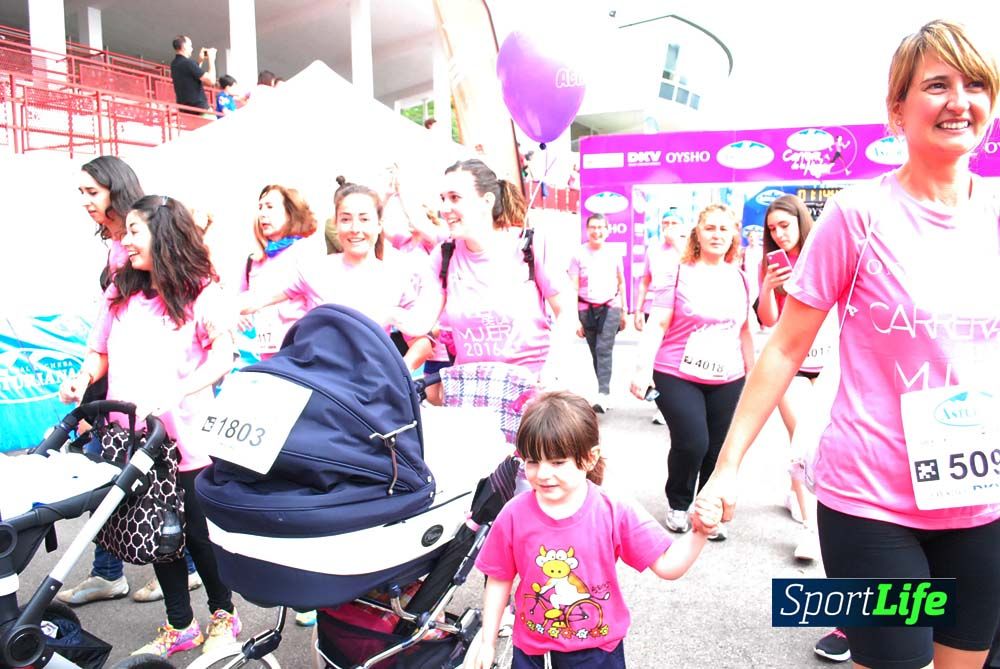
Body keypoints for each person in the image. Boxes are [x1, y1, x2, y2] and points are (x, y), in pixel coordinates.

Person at [697, 20, 1000, 669]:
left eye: (975, 83)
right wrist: (727, 466)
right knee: (892, 659)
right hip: (872, 502)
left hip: (981, 502)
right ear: (897, 109)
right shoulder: (858, 215)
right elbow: (782, 348)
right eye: (937, 84)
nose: (959, 99)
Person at [59, 196, 240, 658]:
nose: (126, 240)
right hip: (133, 440)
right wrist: (81, 379)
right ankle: (180, 624)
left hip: (188, 440)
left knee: (197, 535)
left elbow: (223, 355)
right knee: (157, 533)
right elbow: (97, 351)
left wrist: (180, 391)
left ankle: (224, 615)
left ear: (164, 235)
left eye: (136, 231)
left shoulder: (203, 292)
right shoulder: (121, 293)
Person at [471, 391, 720, 669]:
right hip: (532, 652)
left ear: (590, 458)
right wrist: (487, 641)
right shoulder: (514, 514)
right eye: (532, 461)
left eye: (557, 462)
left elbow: (668, 566)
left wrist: (699, 532)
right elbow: (499, 578)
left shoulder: (613, 511)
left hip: (597, 652)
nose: (542, 473)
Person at [629, 204, 753, 541]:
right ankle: (679, 501)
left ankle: (708, 509)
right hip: (677, 372)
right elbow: (658, 323)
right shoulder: (677, 272)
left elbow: (745, 331)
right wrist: (642, 370)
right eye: (710, 228)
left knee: (717, 448)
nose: (717, 235)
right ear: (697, 232)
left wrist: (755, 377)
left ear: (732, 236)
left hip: (728, 377)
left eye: (723, 229)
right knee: (692, 442)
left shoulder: (741, 277)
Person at [423, 158, 576, 386]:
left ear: (486, 201)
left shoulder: (529, 245)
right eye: (442, 199)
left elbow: (567, 311)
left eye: (455, 198)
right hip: (473, 394)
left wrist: (552, 368)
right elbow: (419, 320)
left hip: (531, 392)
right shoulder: (444, 254)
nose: (445, 209)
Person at [241, 178, 435, 339]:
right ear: (336, 224)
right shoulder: (314, 270)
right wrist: (223, 309)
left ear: (379, 225)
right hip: (321, 378)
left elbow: (420, 337)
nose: (355, 228)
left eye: (364, 219)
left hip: (371, 381)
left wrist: (401, 372)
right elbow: (257, 298)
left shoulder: (396, 277)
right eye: (346, 219)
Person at [754, 194, 827, 563]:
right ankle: (812, 531)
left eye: (785, 225)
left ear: (801, 221)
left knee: (823, 437)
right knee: (802, 437)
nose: (779, 234)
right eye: (772, 229)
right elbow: (767, 321)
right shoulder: (770, 265)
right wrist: (767, 287)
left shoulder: (824, 253)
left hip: (829, 363)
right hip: (790, 364)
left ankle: (795, 491)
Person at [238, 184, 319, 359]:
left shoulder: (306, 251)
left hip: (299, 354)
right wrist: (237, 316)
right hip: (261, 357)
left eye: (270, 206)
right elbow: (239, 299)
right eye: (260, 207)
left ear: (290, 213)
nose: (262, 213)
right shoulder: (254, 260)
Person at [633, 211, 691, 425]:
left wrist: (677, 243)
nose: (669, 227)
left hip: (682, 311)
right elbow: (644, 281)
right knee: (656, 356)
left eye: (675, 223)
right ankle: (662, 403)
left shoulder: (689, 248)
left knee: (676, 358)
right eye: (665, 223)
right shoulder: (653, 249)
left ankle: (676, 403)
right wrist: (638, 309)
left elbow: (693, 267)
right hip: (656, 308)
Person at [569, 213, 626, 413]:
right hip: (585, 307)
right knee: (595, 350)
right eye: (593, 227)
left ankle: (604, 393)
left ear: (608, 230)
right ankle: (603, 390)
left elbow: (621, 282)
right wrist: (574, 319)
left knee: (603, 348)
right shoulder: (578, 254)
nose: (597, 231)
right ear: (587, 230)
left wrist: (624, 312)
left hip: (611, 305)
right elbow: (573, 287)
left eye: (601, 227)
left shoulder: (614, 253)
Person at [169, 35, 216, 116]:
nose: (192, 48)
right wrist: (212, 60)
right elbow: (211, 81)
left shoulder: (174, 64)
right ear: (184, 47)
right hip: (199, 109)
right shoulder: (188, 63)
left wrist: (200, 61)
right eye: (190, 46)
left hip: (185, 110)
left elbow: (192, 75)